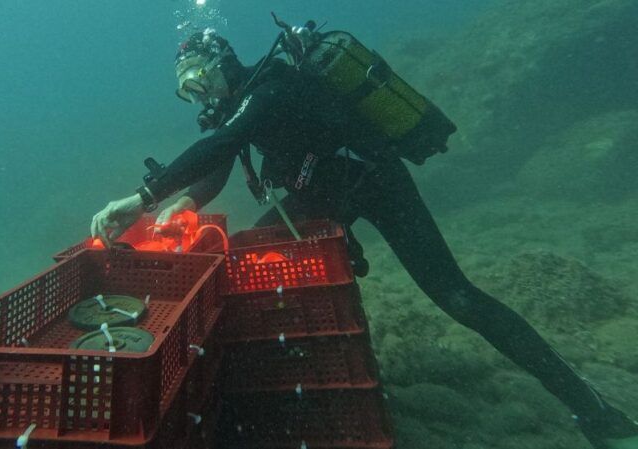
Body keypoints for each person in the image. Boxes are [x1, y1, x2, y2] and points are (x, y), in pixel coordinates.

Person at [90, 29, 637, 449]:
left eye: (199, 81)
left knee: (458, 297)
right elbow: (222, 158)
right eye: (187, 91)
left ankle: (595, 411)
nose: (198, 96)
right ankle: (288, 376)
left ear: (223, 65)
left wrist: (142, 197)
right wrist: (187, 200)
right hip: (323, 198)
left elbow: (229, 140)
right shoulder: (246, 105)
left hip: (376, 185)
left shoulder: (272, 85)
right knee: (250, 256)